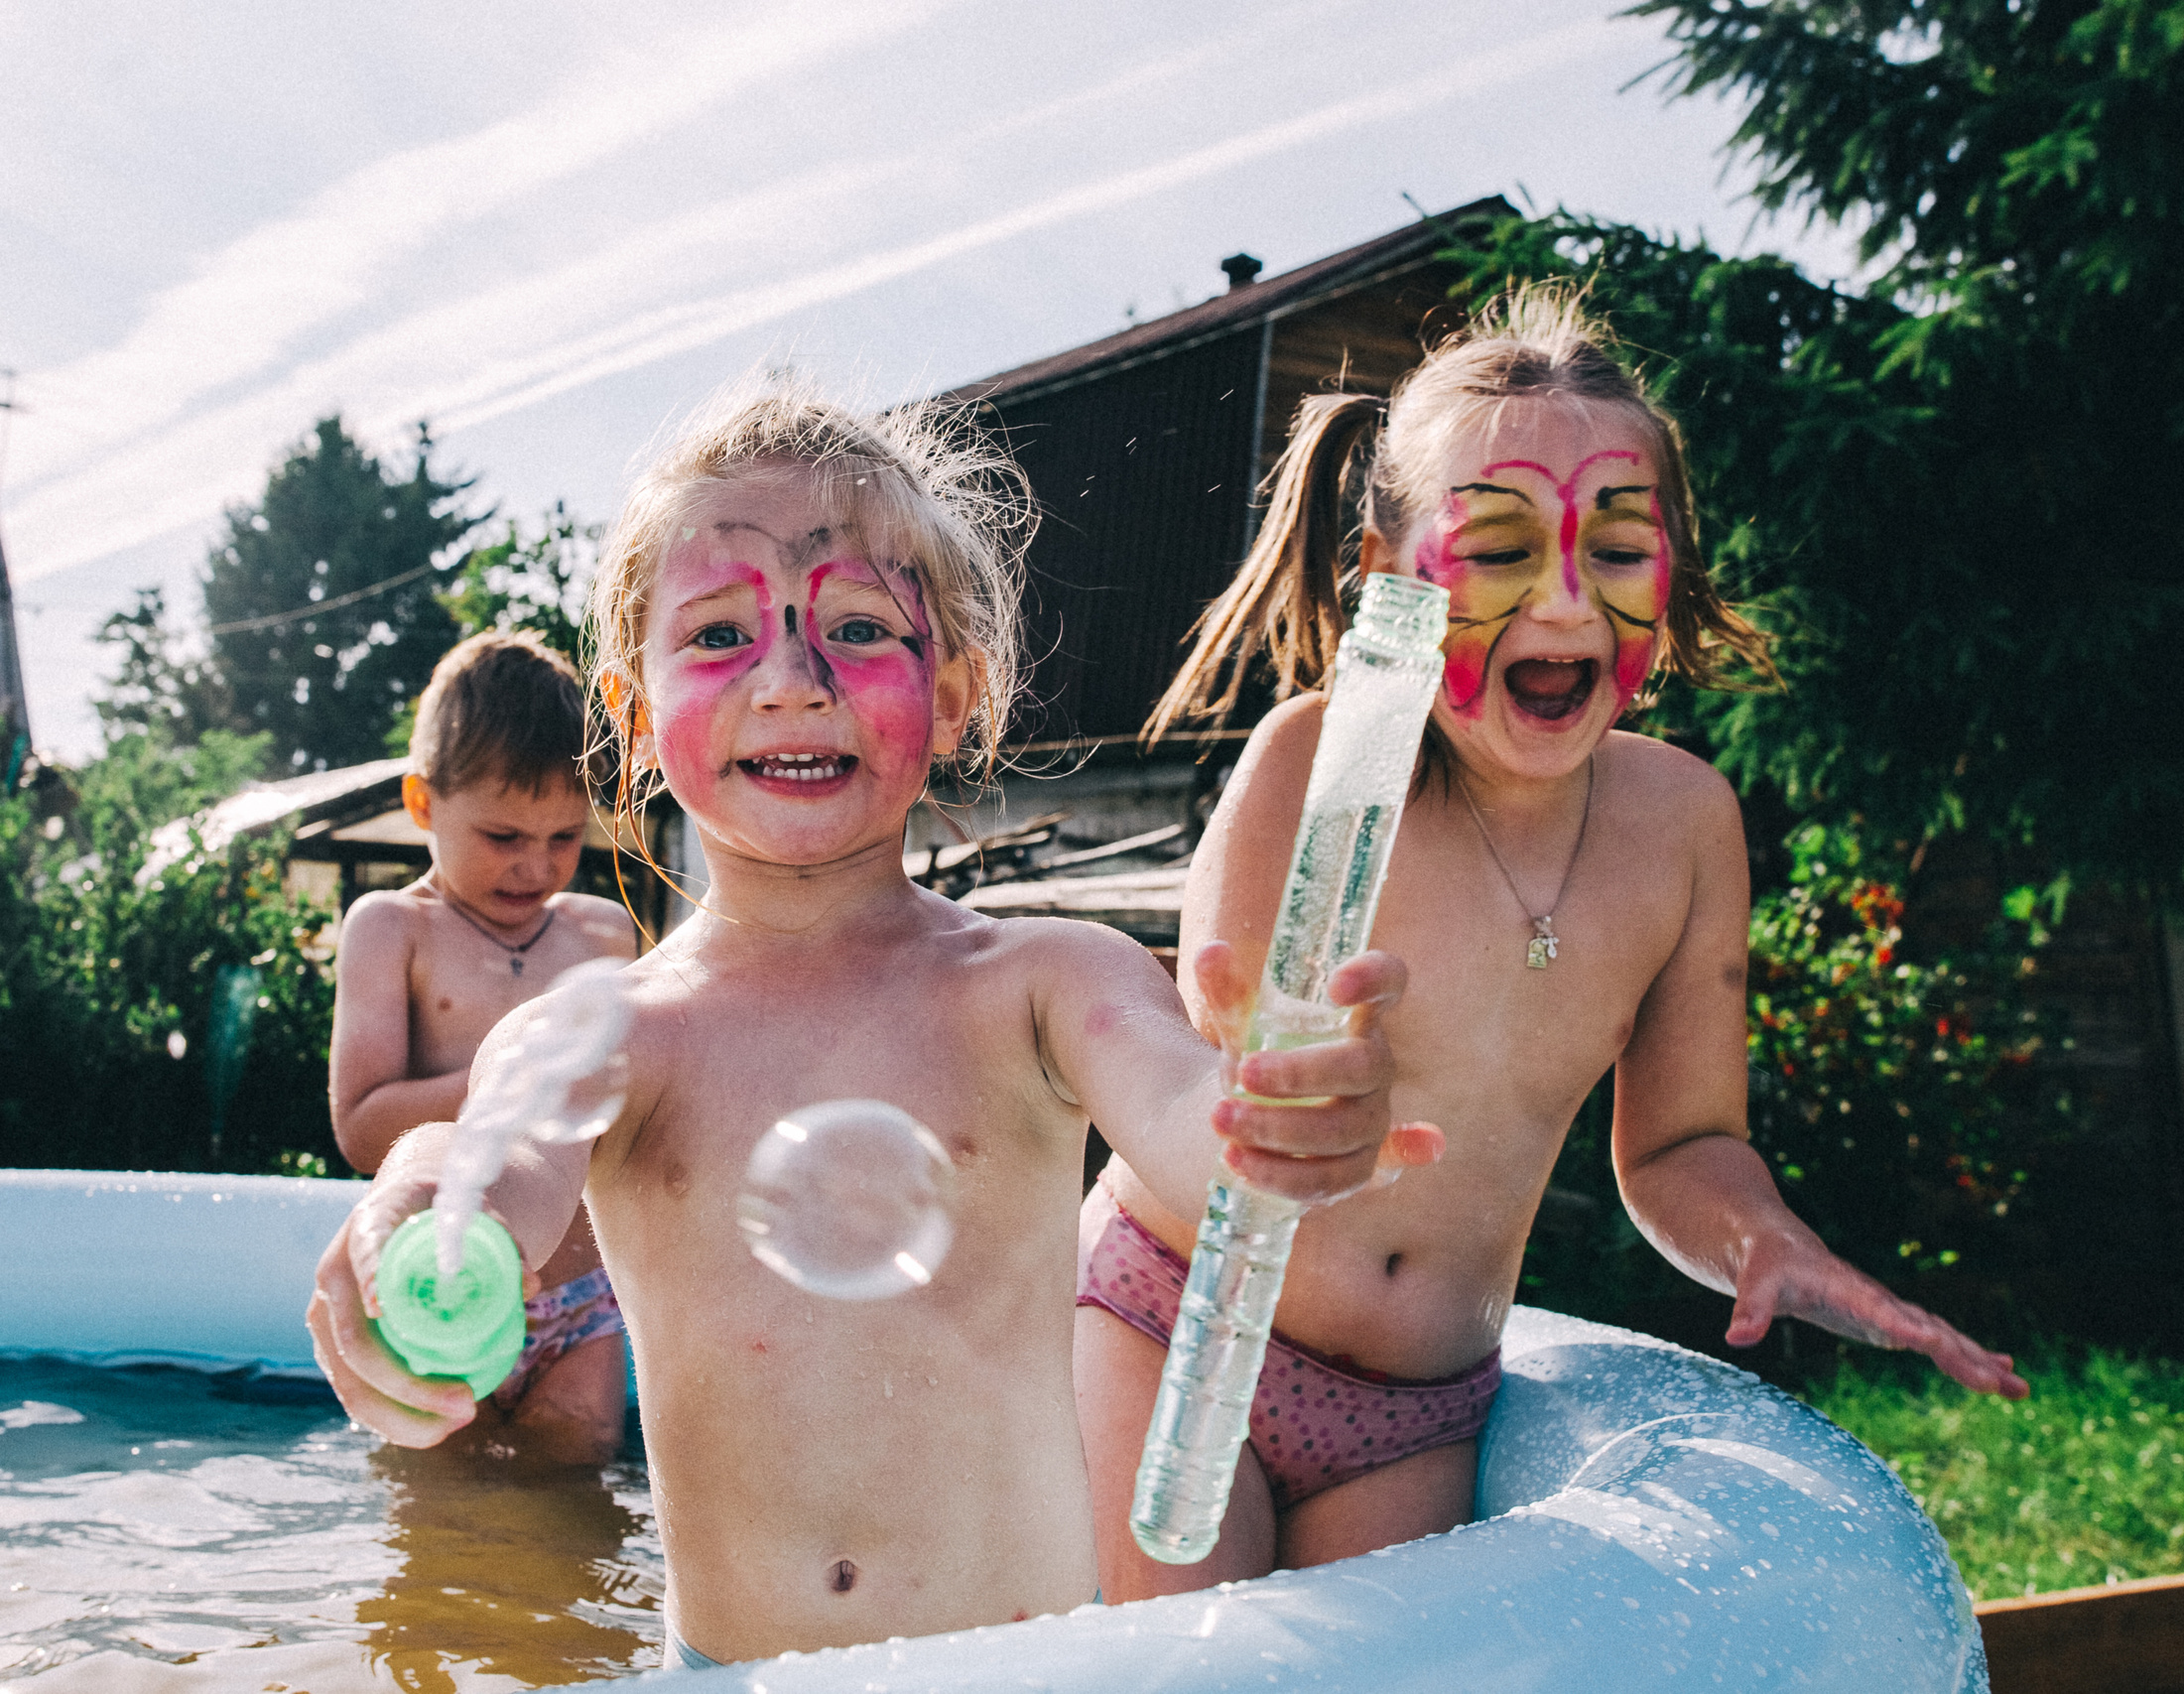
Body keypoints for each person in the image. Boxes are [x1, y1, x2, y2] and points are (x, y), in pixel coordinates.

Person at [305, 382, 1437, 1668]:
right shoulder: (609, 1029)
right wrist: (413, 1195)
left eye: (853, 626)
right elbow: (491, 1161)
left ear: (955, 690)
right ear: (629, 713)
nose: (791, 681)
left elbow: (1192, 1126)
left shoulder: (1049, 980)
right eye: (723, 633)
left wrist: (1280, 1114)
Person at [1077, 285, 2030, 1603]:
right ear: (1390, 579)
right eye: (1500, 547)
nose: (1566, 603)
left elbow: (1684, 1143)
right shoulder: (1323, 762)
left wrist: (1761, 1234)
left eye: (1619, 549)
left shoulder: (1686, 827)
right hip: (1181, 1326)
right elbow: (1195, 1069)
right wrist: (1277, 1089)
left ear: (1676, 576)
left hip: (1415, 1407)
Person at [327, 629, 638, 1465]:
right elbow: (361, 1128)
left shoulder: (605, 935)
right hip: (431, 1286)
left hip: (581, 1293)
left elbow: (643, 1118)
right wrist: (515, 1070)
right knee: (437, 1521)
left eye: (565, 837)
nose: (536, 865)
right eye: (503, 836)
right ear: (424, 804)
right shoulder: (393, 928)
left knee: (571, 1514)